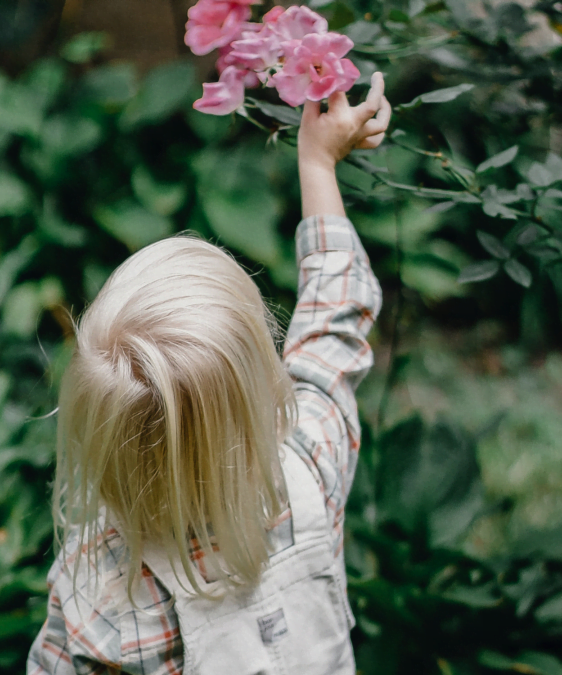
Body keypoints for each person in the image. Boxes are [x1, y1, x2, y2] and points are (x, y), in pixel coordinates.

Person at [27, 72, 391, 675]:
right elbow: (334, 320)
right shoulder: (308, 464)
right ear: (266, 390)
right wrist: (318, 165)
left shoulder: (100, 587)